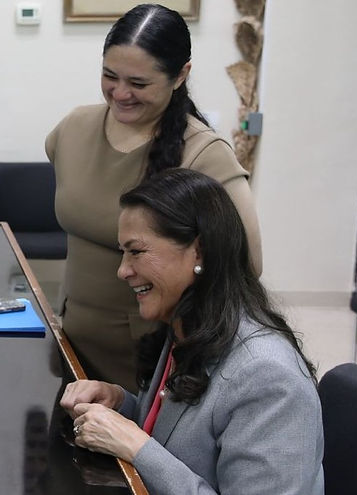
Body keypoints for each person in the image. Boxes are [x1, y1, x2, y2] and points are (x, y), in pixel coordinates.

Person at [59, 169, 322, 494]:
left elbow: (154, 450)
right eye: (122, 252)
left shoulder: (267, 377)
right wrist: (120, 404)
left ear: (198, 251)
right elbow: (178, 435)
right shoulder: (187, 328)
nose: (123, 270)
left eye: (136, 251)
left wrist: (136, 446)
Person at [45, 4, 262, 391]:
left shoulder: (203, 153)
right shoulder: (74, 129)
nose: (121, 93)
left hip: (150, 357)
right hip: (71, 340)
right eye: (110, 76)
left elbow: (246, 262)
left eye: (139, 84)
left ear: (180, 76)